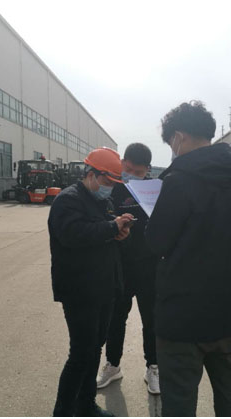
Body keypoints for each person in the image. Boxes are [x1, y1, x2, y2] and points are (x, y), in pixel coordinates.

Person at [145, 101, 231, 417]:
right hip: (230, 314)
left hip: (183, 319)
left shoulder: (179, 181)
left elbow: (156, 242)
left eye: (171, 143)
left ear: (179, 137)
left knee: (179, 404)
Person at [48, 147, 134, 417]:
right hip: (80, 290)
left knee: (94, 348)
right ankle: (63, 411)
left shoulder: (100, 201)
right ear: (91, 174)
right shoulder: (68, 200)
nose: (110, 188)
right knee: (81, 353)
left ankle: (86, 405)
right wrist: (111, 227)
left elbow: (102, 230)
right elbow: (73, 234)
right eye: (108, 181)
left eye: (115, 183)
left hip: (104, 287)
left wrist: (119, 233)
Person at [96, 143, 160, 394]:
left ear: (148, 170)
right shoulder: (112, 188)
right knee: (116, 319)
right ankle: (113, 365)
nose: (131, 175)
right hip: (120, 266)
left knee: (151, 320)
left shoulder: (155, 191)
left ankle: (153, 366)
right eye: (128, 169)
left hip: (149, 266)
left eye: (138, 172)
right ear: (122, 163)